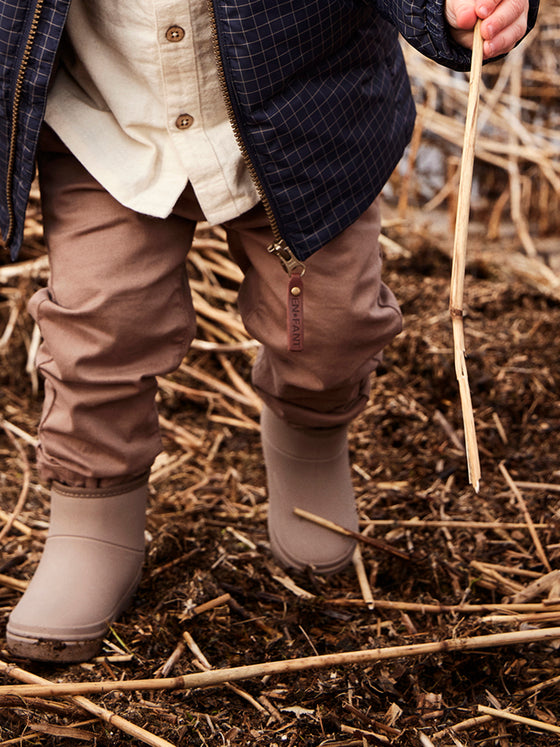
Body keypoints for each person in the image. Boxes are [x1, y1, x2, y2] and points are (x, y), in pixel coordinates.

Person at [1, 0, 537, 663]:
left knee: (331, 321)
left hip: (301, 112)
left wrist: (451, 8)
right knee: (99, 322)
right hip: (105, 114)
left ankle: (310, 440)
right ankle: (93, 514)